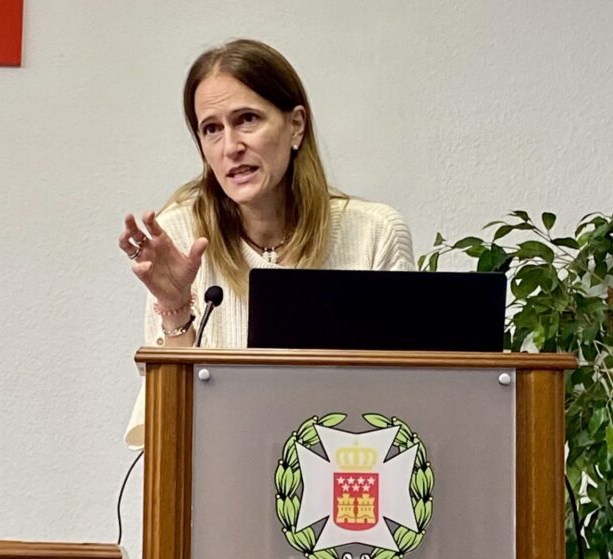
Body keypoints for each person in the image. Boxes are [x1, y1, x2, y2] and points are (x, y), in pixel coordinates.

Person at [120, 39, 414, 448]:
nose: (230, 146)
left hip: (341, 473)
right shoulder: (179, 237)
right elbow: (170, 425)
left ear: (295, 125)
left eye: (247, 119)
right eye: (211, 129)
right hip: (216, 473)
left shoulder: (373, 234)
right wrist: (174, 307)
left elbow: (408, 402)